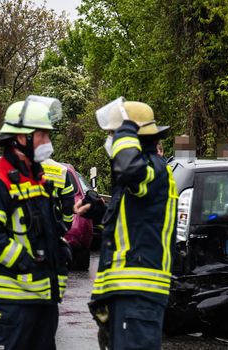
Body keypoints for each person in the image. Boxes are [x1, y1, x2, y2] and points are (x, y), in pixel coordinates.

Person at [0, 96, 71, 350]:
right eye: (42, 136)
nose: (47, 142)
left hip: (43, 300)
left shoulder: (36, 177)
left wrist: (58, 248)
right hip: (11, 304)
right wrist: (25, 263)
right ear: (20, 138)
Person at [76, 100, 176, 350]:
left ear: (134, 137)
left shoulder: (154, 169)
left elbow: (130, 169)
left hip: (138, 291)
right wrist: (99, 211)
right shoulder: (142, 180)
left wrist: (125, 130)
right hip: (127, 292)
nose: (112, 140)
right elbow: (132, 221)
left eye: (114, 134)